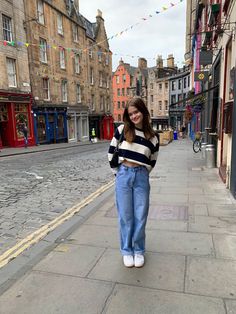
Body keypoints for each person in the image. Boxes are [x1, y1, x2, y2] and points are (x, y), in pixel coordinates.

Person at [108, 97, 159, 268]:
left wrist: (141, 173)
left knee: (140, 216)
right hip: (123, 175)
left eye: (136, 112)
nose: (134, 116)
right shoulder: (122, 130)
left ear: (143, 111)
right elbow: (111, 153)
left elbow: (152, 161)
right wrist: (119, 173)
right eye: (130, 114)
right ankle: (127, 250)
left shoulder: (152, 137)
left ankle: (138, 250)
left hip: (141, 177)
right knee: (125, 216)